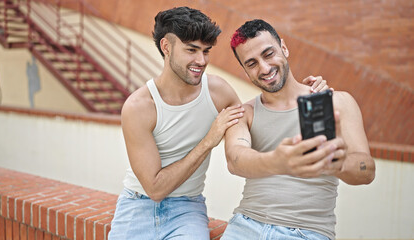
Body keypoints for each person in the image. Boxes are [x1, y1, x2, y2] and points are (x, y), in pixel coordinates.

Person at [108, 7, 328, 239]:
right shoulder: (139, 107)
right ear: (166, 47)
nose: (201, 61)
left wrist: (308, 93)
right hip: (136, 204)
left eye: (206, 51)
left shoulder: (218, 92)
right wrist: (208, 141)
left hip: (187, 208)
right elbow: (155, 189)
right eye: (191, 50)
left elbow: (261, 114)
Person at [222, 19, 376, 240]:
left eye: (268, 54)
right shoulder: (245, 113)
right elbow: (235, 160)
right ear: (245, 71)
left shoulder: (336, 102)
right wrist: (279, 161)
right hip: (245, 226)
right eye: (252, 63)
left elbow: (367, 171)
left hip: (306, 232)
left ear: (284, 48)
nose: (264, 68)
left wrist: (336, 163)